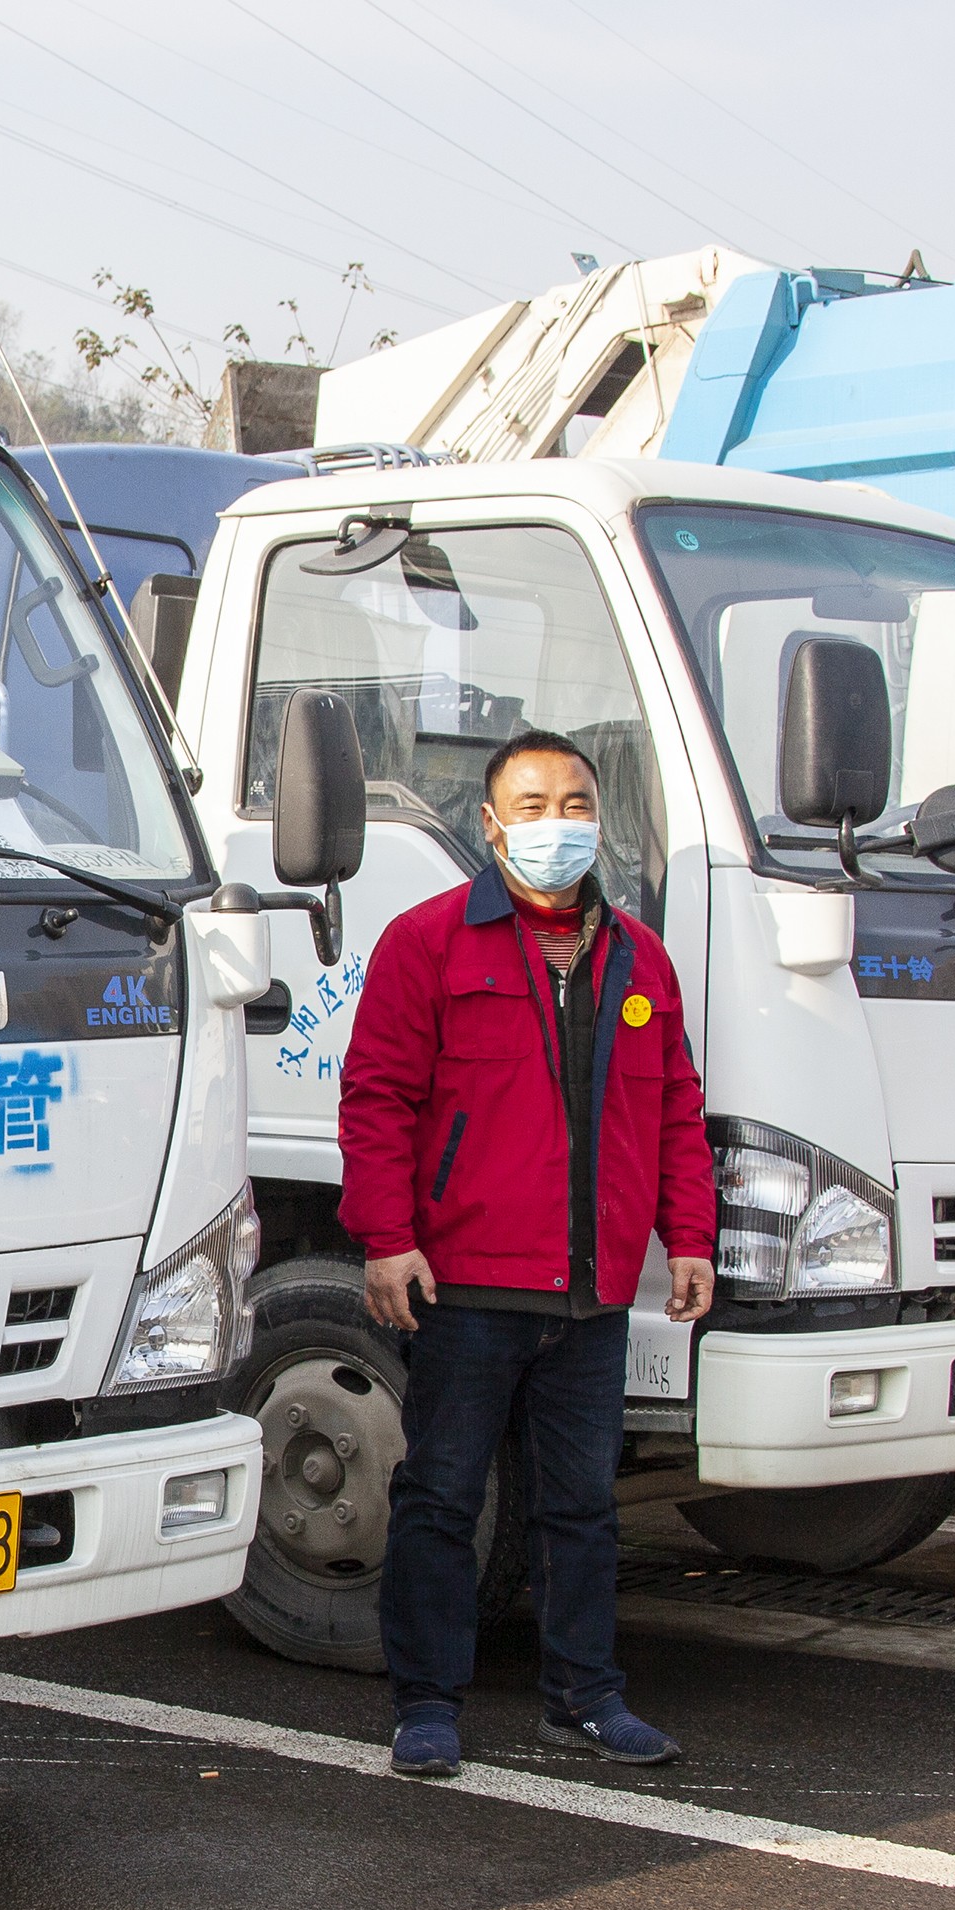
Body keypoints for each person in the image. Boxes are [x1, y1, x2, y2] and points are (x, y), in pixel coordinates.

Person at [339, 731, 718, 1780]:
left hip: (591, 1290)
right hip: (466, 1281)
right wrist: (389, 1237)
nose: (561, 822)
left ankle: (585, 1696)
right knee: (443, 1493)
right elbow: (376, 1098)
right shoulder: (429, 942)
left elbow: (677, 1109)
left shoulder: (640, 956)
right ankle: (425, 1702)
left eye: (578, 801)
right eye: (535, 803)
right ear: (494, 824)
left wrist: (690, 1235)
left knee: (582, 1504)